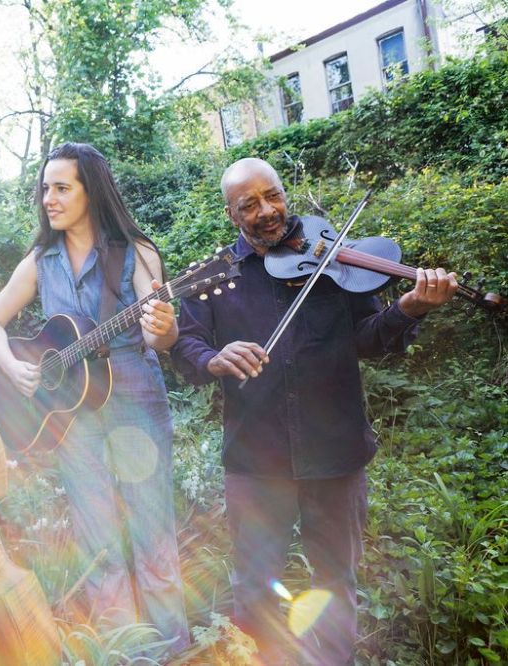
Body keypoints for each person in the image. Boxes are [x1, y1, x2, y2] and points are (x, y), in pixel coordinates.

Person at [170, 158, 458, 664]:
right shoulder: (217, 276)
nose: (267, 211)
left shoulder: (333, 258)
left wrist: (409, 308)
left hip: (336, 452)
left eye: (274, 195)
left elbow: (369, 339)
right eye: (249, 204)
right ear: (230, 214)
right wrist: (212, 358)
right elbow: (185, 348)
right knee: (255, 586)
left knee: (336, 583)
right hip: (256, 462)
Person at [0, 142, 190, 650]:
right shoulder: (40, 260)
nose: (48, 198)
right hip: (73, 415)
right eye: (45, 188)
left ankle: (175, 650)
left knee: (151, 530)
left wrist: (164, 328)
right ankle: (128, 652)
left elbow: (161, 337)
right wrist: (14, 365)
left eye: (61, 188)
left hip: (135, 399)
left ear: (90, 191)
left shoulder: (137, 253)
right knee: (97, 538)